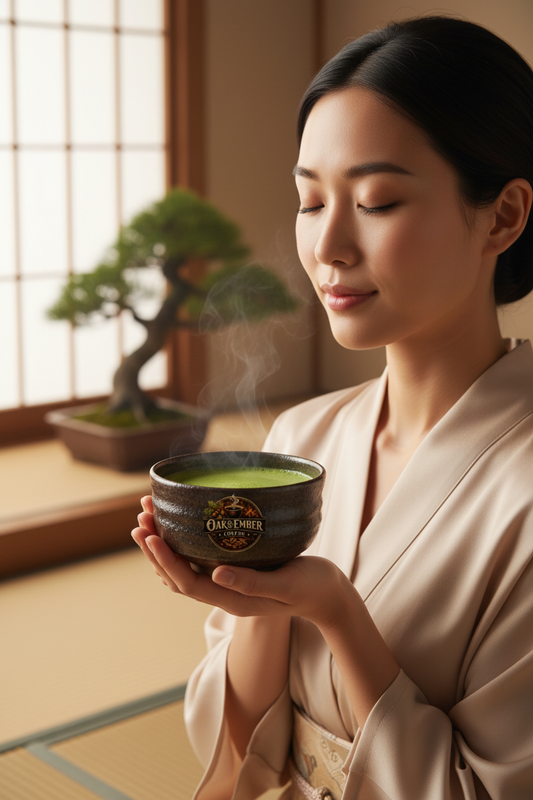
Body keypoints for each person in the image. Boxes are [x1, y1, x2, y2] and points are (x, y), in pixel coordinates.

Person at [132, 15, 533, 800]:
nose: (328, 247)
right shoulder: (301, 438)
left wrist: (335, 613)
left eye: (378, 201)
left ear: (503, 216)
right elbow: (246, 757)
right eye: (310, 201)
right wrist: (255, 600)